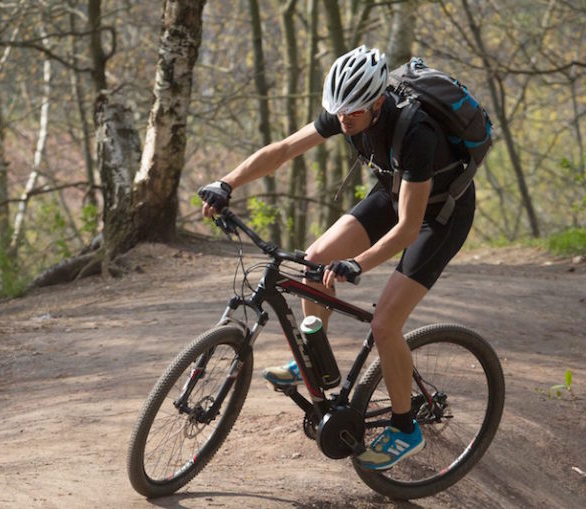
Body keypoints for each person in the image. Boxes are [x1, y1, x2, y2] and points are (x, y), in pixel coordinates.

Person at [198, 45, 475, 470]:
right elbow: (284, 149)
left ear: (378, 102)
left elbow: (407, 227)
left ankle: (405, 428)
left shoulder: (417, 133)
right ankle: (315, 362)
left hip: (439, 214)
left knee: (385, 323)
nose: (344, 121)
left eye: (353, 114)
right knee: (315, 259)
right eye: (338, 113)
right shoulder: (348, 110)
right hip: (392, 190)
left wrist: (359, 264)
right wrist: (227, 182)